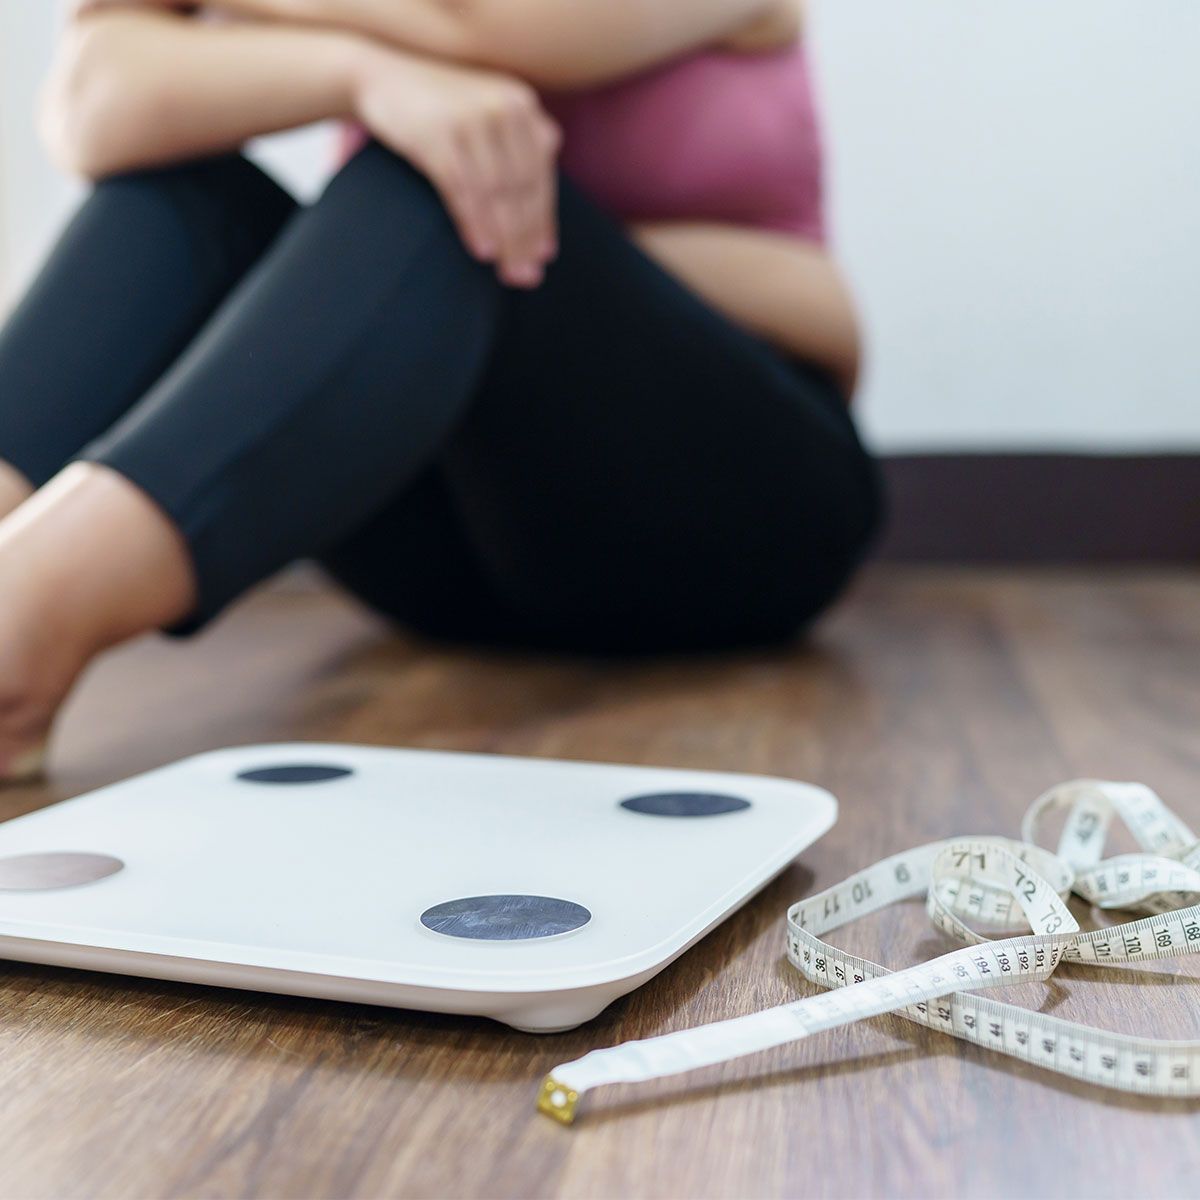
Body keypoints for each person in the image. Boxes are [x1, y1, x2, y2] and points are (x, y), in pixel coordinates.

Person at [0, 0, 881, 782]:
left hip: (730, 524)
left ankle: (35, 609)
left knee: (461, 174)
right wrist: (362, 71)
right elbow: (90, 102)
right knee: (182, 193)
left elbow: (486, 26)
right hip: (441, 553)